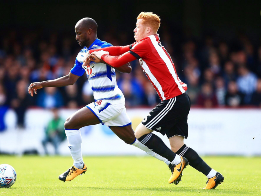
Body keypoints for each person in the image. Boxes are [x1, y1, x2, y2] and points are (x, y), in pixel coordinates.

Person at [28, 17, 183, 184]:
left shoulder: (105, 47)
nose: (76, 37)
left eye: (79, 33)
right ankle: (174, 162)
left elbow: (127, 68)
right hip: (109, 101)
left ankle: (78, 165)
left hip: (109, 100)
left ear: (89, 31)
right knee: (132, 139)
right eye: (75, 34)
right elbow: (70, 79)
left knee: (70, 124)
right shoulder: (82, 54)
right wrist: (43, 84)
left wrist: (102, 57)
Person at [89, 12, 224, 189]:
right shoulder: (148, 43)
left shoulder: (146, 44)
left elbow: (119, 60)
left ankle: (176, 162)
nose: (134, 29)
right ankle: (213, 175)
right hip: (180, 99)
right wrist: (96, 51)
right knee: (177, 145)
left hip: (173, 99)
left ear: (147, 29)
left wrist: (101, 57)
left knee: (139, 134)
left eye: (137, 27)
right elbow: (121, 49)